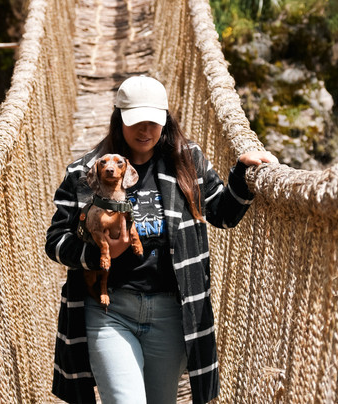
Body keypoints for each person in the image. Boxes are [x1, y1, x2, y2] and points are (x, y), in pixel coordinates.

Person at [45, 75, 278, 404]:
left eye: (153, 122)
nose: (145, 131)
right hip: (109, 311)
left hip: (171, 313)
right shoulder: (87, 171)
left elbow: (223, 214)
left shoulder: (187, 161)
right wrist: (98, 255)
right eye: (135, 121)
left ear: (165, 120)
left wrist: (241, 173)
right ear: (119, 119)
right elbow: (55, 240)